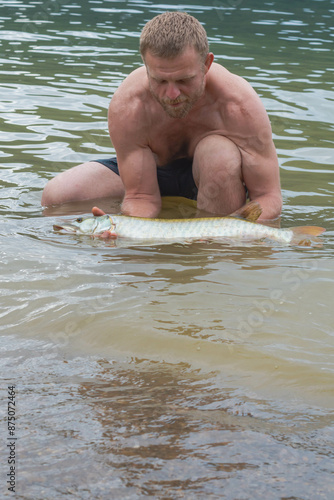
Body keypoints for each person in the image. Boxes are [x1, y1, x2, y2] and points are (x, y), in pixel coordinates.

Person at [41, 11, 282, 220]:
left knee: (217, 153)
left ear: (206, 65)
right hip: (154, 174)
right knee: (58, 196)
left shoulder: (238, 104)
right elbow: (141, 196)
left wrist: (233, 231)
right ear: (146, 67)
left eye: (183, 80)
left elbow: (268, 197)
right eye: (160, 80)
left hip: (216, 176)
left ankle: (213, 255)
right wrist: (125, 230)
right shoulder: (129, 105)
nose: (172, 94)